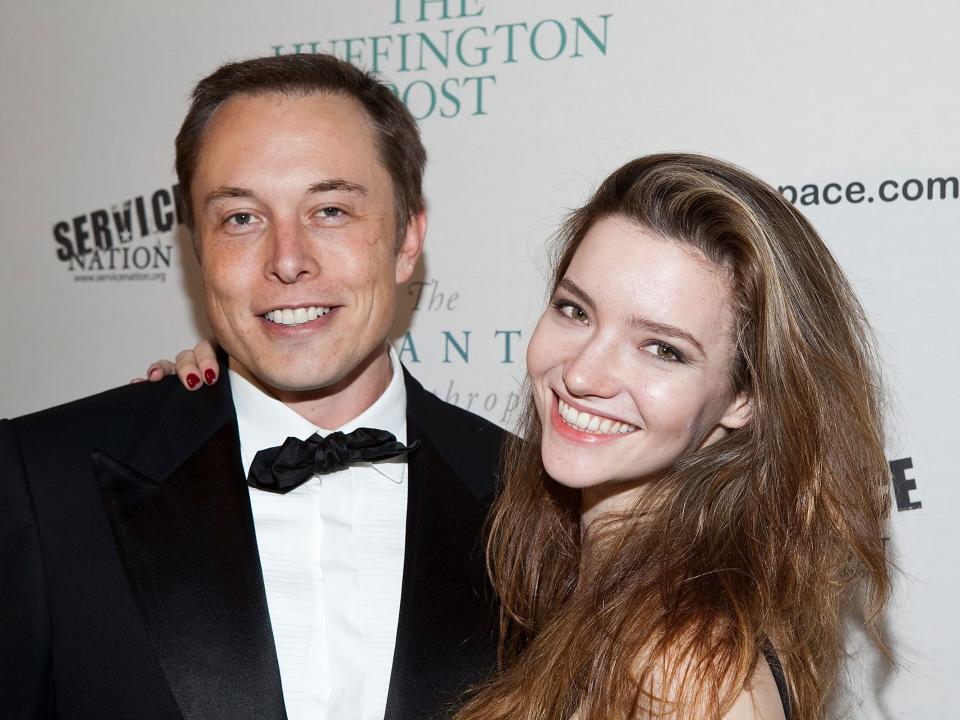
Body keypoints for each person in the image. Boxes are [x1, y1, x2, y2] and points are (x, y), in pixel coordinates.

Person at [160, 153, 891, 719]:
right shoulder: (570, 576)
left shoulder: (683, 669)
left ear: (745, 396)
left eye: (661, 348)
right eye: (576, 311)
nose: (584, 373)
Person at [0, 54, 505, 720]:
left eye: (329, 210)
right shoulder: (43, 480)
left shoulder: (534, 500)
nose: (288, 260)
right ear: (198, 248)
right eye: (241, 218)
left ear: (408, 238)